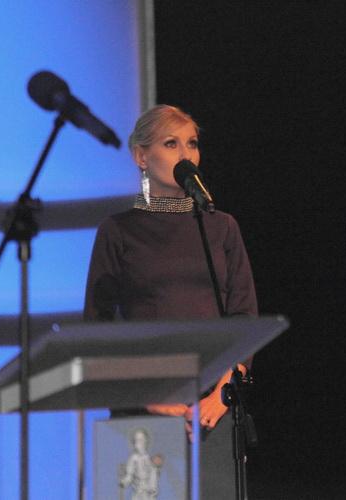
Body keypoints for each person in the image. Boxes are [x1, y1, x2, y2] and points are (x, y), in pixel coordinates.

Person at [84, 104, 258, 499]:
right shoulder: (118, 230)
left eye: (192, 144)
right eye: (170, 143)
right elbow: (98, 328)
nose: (186, 154)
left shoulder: (220, 226)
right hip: (142, 411)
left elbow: (244, 317)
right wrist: (151, 397)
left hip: (213, 411)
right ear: (141, 156)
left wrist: (221, 394)